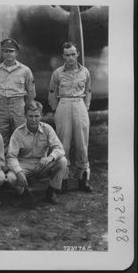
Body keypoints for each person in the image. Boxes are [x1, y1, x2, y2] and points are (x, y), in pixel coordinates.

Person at [48, 42, 92, 193]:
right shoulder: (57, 73)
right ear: (63, 56)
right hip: (64, 103)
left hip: (79, 103)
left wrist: (85, 107)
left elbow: (88, 90)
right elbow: (52, 92)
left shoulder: (85, 72)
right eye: (67, 55)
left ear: (78, 54)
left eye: (73, 54)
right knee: (62, 143)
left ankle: (83, 179)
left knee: (82, 144)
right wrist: (56, 109)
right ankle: (63, 180)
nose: (70, 57)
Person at [5, 101, 67, 205]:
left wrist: (50, 157)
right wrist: (19, 172)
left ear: (41, 116)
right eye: (30, 116)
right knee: (11, 178)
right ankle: (23, 191)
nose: (34, 119)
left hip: (41, 165)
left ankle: (51, 192)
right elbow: (11, 157)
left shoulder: (47, 129)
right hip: (24, 166)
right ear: (25, 116)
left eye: (37, 116)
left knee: (62, 161)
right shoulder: (18, 133)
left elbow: (60, 149)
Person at [0, 38, 36, 150]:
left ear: (16, 53)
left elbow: (31, 92)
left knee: (20, 133)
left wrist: (25, 107)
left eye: (11, 51)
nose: (8, 54)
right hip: (2, 105)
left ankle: (19, 161)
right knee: (0, 135)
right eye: (5, 51)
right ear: (2, 53)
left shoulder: (25, 70)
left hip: (18, 104)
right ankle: (2, 161)